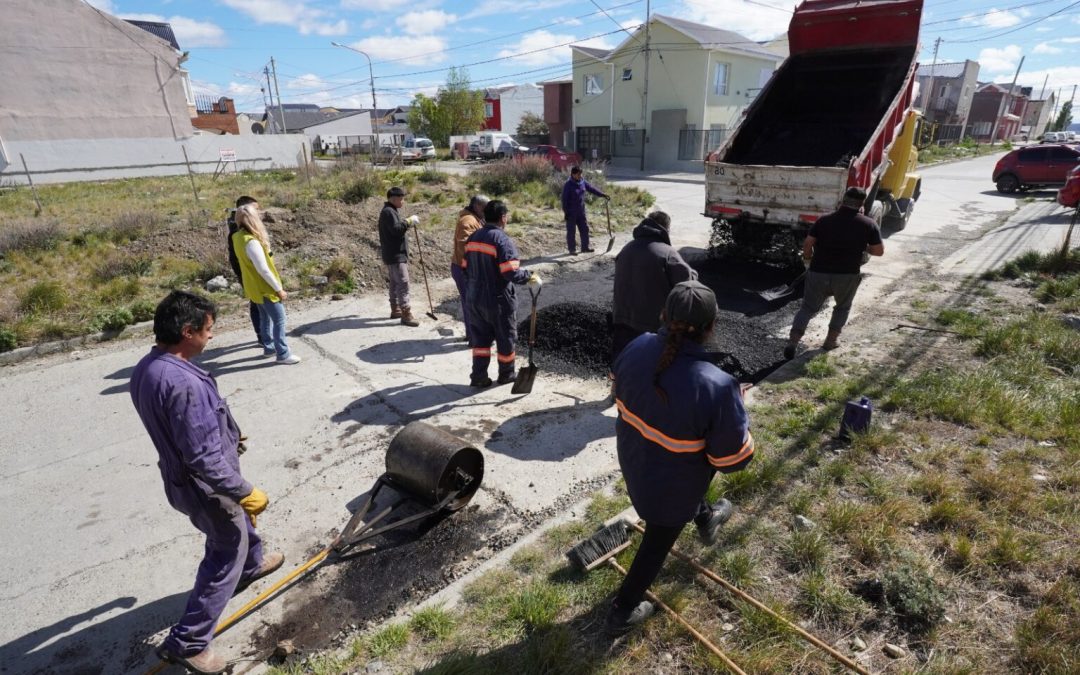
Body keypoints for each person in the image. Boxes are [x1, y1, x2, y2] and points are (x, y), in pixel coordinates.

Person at [130, 291, 284, 675]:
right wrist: (245, 491)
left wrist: (228, 434)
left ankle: (251, 565)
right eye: (208, 329)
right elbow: (202, 458)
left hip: (182, 478)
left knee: (237, 533)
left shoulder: (148, 368)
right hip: (205, 487)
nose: (211, 336)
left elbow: (190, 433)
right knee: (225, 547)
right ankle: (190, 641)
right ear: (187, 331)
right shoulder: (183, 383)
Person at [606, 281, 754, 636]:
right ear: (712, 326)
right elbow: (733, 460)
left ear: (663, 316)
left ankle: (705, 518)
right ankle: (623, 609)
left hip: (635, 460)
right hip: (670, 490)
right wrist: (737, 411)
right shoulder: (717, 386)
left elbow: (623, 390)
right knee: (656, 544)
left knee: (681, 482)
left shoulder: (636, 345)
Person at [784, 186, 884, 359]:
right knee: (842, 308)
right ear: (861, 204)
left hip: (818, 272)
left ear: (842, 201)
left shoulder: (824, 220)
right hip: (847, 275)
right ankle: (830, 342)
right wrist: (861, 245)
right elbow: (878, 251)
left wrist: (807, 261)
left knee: (807, 308)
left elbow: (808, 243)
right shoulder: (868, 224)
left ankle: (793, 342)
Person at [463, 199, 541, 387]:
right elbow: (510, 271)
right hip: (497, 300)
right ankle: (506, 374)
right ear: (503, 218)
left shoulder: (473, 238)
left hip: (473, 298)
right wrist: (529, 276)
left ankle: (479, 376)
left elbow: (465, 267)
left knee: (480, 340)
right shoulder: (501, 240)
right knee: (505, 337)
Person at [611, 211, 697, 364]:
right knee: (649, 369)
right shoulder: (667, 252)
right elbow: (687, 284)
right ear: (666, 229)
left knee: (625, 367)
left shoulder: (627, 248)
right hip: (650, 325)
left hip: (621, 320)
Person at [232, 204, 300, 365]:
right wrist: (279, 289)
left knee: (264, 317)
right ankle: (282, 353)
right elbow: (264, 269)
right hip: (264, 287)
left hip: (252, 286)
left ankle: (269, 348)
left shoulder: (237, 237)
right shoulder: (251, 242)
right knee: (279, 320)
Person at [225, 195, 267, 347]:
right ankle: (263, 337)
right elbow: (238, 257)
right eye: (255, 209)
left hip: (252, 270)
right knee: (257, 303)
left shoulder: (244, 225)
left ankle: (264, 336)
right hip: (248, 271)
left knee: (259, 302)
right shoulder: (238, 229)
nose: (259, 212)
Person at [378, 186, 421, 327]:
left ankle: (395, 309)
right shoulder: (389, 212)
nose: (403, 201)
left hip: (392, 254)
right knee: (403, 283)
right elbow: (396, 230)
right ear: (393, 198)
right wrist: (408, 221)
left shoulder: (389, 211)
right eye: (401, 199)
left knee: (395, 282)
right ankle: (406, 314)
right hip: (396, 255)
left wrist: (407, 222)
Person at [451, 194, 488, 343]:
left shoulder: (475, 219)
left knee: (471, 302)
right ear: (478, 207)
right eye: (486, 208)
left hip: (465, 268)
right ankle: (474, 337)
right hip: (464, 269)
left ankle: (472, 334)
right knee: (472, 304)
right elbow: (464, 244)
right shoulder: (468, 220)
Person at [560, 165, 609, 255]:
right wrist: (566, 212)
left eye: (580, 174)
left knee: (584, 229)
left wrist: (602, 194)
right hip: (571, 212)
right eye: (578, 174)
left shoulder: (582, 182)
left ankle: (585, 247)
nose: (580, 176)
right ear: (573, 174)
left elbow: (591, 189)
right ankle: (572, 249)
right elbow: (564, 200)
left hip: (581, 212)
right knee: (571, 231)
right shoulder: (568, 185)